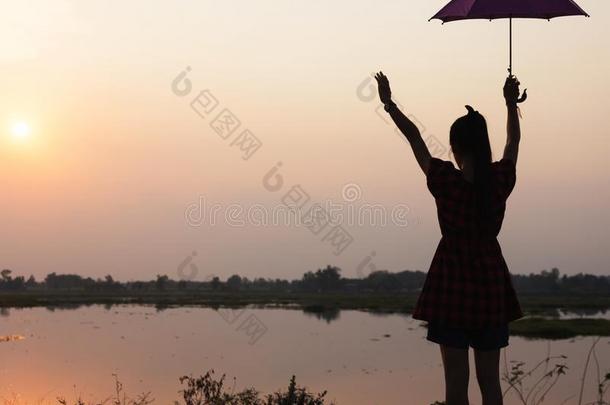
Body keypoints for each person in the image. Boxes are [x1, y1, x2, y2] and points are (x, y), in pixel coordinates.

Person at [374, 71, 526, 405]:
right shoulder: (499, 180)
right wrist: (510, 104)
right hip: (489, 285)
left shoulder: (445, 180)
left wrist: (389, 104)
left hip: (450, 287)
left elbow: (415, 139)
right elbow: (513, 144)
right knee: (491, 384)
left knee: (456, 386)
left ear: (456, 148)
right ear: (483, 145)